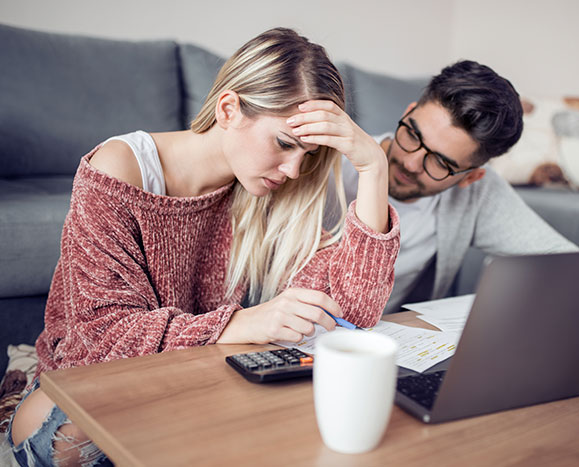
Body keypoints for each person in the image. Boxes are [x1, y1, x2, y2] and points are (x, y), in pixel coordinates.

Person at [7, 28, 398, 466]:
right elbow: (98, 342)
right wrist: (238, 326)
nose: (292, 170)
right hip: (97, 376)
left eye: (307, 155)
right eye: (285, 144)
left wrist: (372, 166)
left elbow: (352, 316)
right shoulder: (118, 170)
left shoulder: (272, 190)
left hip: (196, 375)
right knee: (71, 439)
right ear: (229, 109)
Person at [340, 60, 578, 314]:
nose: (411, 163)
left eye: (440, 162)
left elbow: (571, 265)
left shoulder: (476, 193)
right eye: (413, 135)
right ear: (407, 113)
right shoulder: (334, 162)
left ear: (470, 177)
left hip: (386, 340)